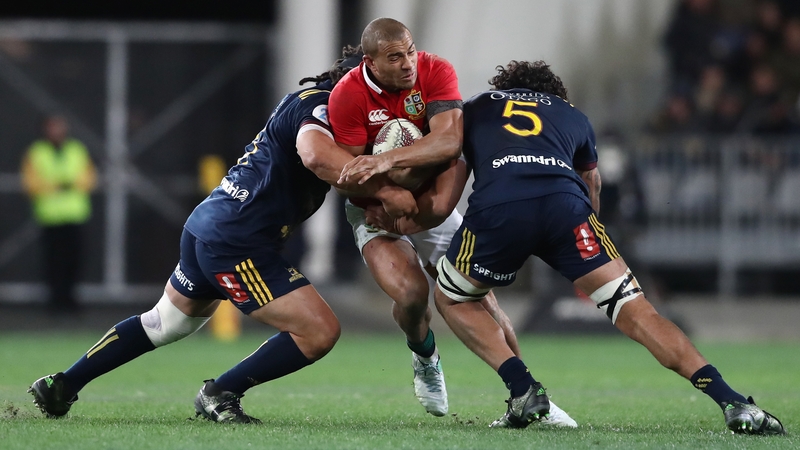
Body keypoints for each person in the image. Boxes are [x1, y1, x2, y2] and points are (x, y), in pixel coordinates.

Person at [367, 60, 786, 435]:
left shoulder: (476, 107)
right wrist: (585, 244)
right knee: (639, 313)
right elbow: (592, 185)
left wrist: (404, 221)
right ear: (553, 93)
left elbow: (448, 193)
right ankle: (733, 402)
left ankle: (523, 390)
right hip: (568, 210)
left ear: (505, 87)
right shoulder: (573, 115)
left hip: (501, 208)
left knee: (452, 297)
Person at [28, 47, 418, 423]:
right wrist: (384, 191)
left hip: (212, 223)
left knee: (165, 323)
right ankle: (220, 393)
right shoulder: (321, 105)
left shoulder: (314, 101)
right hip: (239, 240)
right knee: (319, 331)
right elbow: (315, 154)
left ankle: (63, 384)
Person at [330, 18, 576, 426]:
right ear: (370, 62)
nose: (408, 63)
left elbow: (449, 141)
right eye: (395, 57)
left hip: (427, 202)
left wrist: (387, 160)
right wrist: (385, 193)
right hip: (375, 209)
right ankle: (424, 355)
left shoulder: (435, 70)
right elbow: (347, 174)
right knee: (411, 295)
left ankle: (530, 395)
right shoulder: (347, 95)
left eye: (410, 51)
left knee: (484, 304)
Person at [21, 114, 97, 314]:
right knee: (53, 262)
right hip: (50, 216)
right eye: (52, 127)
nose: (56, 131)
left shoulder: (77, 150)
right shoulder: (37, 152)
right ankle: (55, 302)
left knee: (74, 261)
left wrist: (65, 184)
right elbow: (30, 182)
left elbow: (89, 177)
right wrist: (58, 185)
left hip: (75, 214)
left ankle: (71, 301)